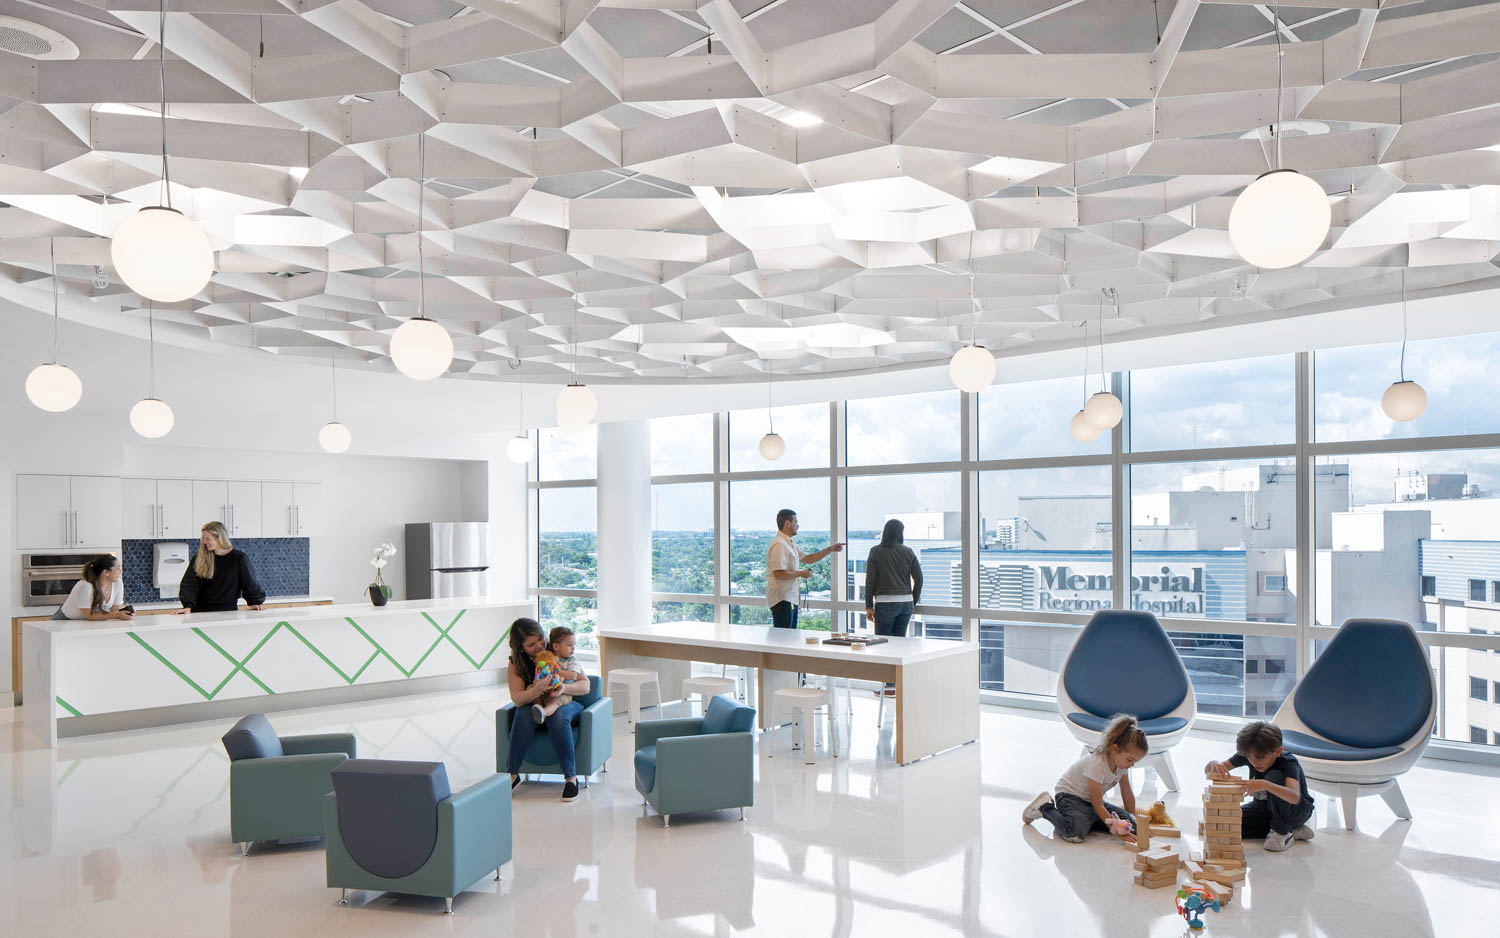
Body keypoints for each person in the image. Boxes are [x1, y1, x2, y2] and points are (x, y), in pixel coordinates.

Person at [1021, 714, 1147, 844]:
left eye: (1135, 761)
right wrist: (1116, 829)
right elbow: (1097, 804)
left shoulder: (1122, 764)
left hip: (1091, 802)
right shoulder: (1097, 763)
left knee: (1131, 826)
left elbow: (1127, 794)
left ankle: (1086, 820)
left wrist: (1134, 822)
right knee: (1074, 834)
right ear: (1115, 749)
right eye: (1130, 760)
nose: (1132, 765)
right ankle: (1045, 808)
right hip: (1070, 797)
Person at [505, 617, 590, 802]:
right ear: (521, 648)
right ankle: (512, 774)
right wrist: (536, 690)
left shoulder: (558, 650)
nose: (539, 646)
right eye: (531, 644)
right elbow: (517, 699)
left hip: (566, 702)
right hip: (537, 704)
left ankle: (571, 778)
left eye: (540, 639)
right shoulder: (516, 664)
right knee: (522, 713)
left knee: (558, 717)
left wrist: (563, 688)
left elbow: (585, 686)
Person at [1204, 721, 1316, 852]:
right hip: (1266, 808)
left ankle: (1283, 832)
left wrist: (1265, 785)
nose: (1253, 761)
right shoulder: (1250, 753)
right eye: (1248, 756)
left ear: (1278, 751)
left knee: (1274, 776)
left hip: (1297, 810)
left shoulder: (1288, 763)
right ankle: (1294, 830)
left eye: (1260, 757)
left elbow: (1294, 797)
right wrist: (1214, 763)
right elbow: (1209, 771)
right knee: (1228, 826)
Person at [863, 518, 923, 695]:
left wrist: (868, 605)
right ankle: (895, 685)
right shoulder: (908, 552)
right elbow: (919, 579)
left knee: (883, 646)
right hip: (905, 605)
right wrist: (913, 600)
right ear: (900, 533)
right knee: (898, 645)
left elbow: (870, 581)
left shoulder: (875, 552)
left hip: (885, 604)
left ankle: (888, 686)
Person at [765, 508, 843, 629]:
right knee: (784, 639)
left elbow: (808, 558)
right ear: (787, 523)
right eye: (796, 522)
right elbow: (778, 574)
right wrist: (801, 573)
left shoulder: (788, 544)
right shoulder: (779, 544)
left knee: (789, 637)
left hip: (789, 598)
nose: (798, 525)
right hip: (782, 599)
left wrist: (829, 550)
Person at [174, 521, 267, 614]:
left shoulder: (239, 558)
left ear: (219, 538)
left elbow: (249, 583)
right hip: (199, 613)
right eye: (203, 538)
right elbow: (189, 583)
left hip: (228, 612)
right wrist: (187, 606)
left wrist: (255, 602)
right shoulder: (199, 557)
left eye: (207, 538)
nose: (204, 542)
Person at [531, 626, 587, 725]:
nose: (573, 648)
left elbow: (573, 676)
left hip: (564, 693)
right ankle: (538, 708)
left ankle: (544, 713)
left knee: (555, 701)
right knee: (531, 688)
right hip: (548, 689)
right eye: (569, 645)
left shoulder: (573, 660)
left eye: (574, 644)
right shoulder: (550, 658)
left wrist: (558, 671)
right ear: (556, 647)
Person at [59, 556, 133, 622]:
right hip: (65, 621)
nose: (121, 571)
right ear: (106, 572)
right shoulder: (86, 585)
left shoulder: (118, 584)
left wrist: (125, 613)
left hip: (89, 622)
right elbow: (89, 615)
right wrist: (116, 615)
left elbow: (115, 610)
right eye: (118, 568)